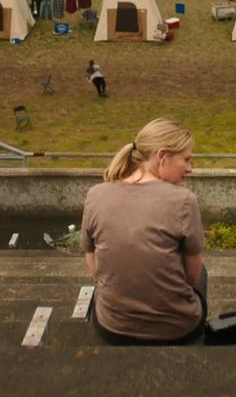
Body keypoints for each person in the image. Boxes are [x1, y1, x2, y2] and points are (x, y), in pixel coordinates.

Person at [81, 118, 205, 346]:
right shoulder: (184, 200)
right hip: (176, 330)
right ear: (162, 156)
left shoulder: (95, 194)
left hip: (112, 326)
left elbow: (95, 269)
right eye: (186, 159)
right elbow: (192, 277)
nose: (189, 168)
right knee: (202, 272)